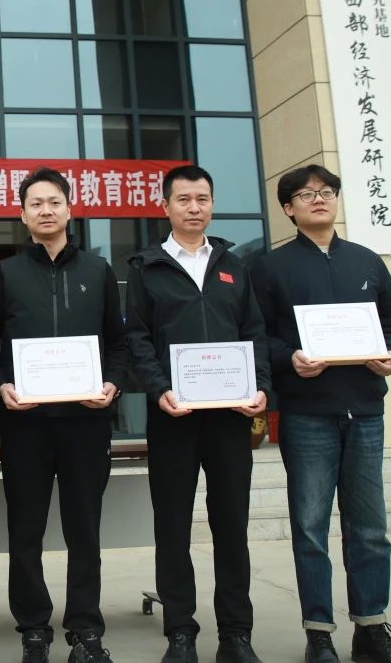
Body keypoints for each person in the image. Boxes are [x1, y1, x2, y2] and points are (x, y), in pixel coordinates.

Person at [250, 165, 391, 663]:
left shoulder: (367, 261)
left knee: (370, 528)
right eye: (306, 194)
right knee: (310, 528)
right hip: (307, 413)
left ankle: (372, 628)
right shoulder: (271, 267)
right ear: (288, 208)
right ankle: (319, 633)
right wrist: (290, 358)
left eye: (326, 192)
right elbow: (257, 336)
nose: (318, 199)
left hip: (364, 409)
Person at [125, 164, 270, 663]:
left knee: (231, 526)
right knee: (172, 527)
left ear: (212, 204)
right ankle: (180, 633)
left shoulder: (234, 266)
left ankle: (236, 634)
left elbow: (254, 332)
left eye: (202, 199)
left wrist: (260, 386)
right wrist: (158, 388)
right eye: (183, 199)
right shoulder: (146, 267)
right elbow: (137, 338)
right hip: (174, 417)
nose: (194, 208)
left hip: (230, 417)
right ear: (165, 206)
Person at [0, 167, 129, 663]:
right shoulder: (5, 274)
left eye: (54, 202)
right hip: (25, 425)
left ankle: (85, 630)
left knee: (84, 530)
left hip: (85, 423)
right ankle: (33, 629)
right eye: (36, 204)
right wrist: (1, 384)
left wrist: (112, 384)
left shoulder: (98, 270)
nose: (45, 211)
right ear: (22, 214)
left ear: (70, 208)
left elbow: (118, 343)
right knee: (25, 530)